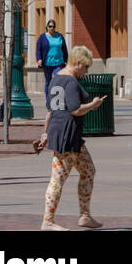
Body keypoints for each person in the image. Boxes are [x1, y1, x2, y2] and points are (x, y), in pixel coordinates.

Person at [36, 45, 106, 231]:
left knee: (88, 170)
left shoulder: (55, 79)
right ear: (77, 63)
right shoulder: (72, 82)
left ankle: (85, 215)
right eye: (85, 67)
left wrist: (45, 133)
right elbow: (75, 109)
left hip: (65, 135)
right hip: (67, 137)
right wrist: (93, 104)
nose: (86, 71)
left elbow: (50, 111)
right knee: (57, 180)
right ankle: (48, 221)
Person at [35, 21, 68, 99]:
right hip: (47, 63)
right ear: (47, 27)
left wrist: (67, 60)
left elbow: (64, 49)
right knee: (48, 82)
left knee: (58, 79)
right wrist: (39, 59)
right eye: (50, 26)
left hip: (59, 62)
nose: (51, 28)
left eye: (53, 27)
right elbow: (38, 50)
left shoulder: (60, 36)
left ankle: (57, 98)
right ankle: (48, 99)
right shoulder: (42, 37)